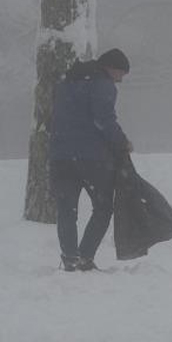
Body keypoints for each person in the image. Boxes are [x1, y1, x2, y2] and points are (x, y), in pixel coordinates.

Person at [48, 47, 131, 271]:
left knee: (66, 210)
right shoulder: (103, 85)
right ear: (111, 68)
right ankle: (85, 256)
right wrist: (122, 143)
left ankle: (69, 258)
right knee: (103, 207)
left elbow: (54, 115)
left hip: (61, 157)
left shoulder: (65, 83)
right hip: (92, 159)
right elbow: (103, 120)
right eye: (121, 74)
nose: (120, 80)